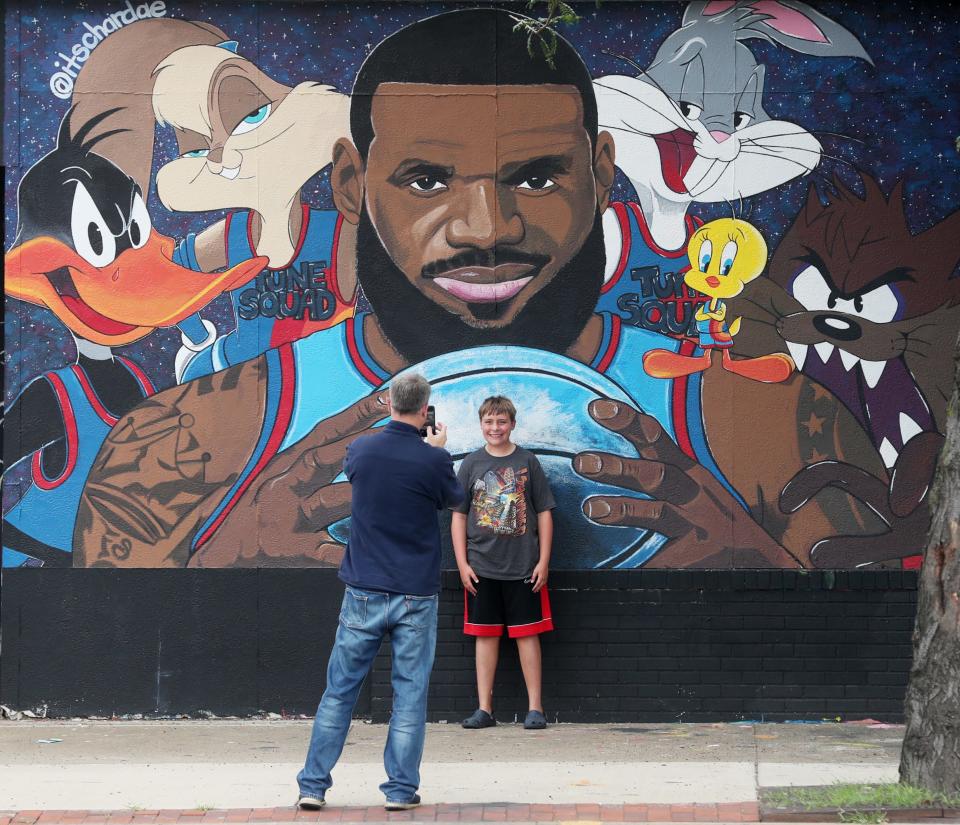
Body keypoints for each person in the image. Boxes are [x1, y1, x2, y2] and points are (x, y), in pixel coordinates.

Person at [77, 7, 862, 574]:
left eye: (536, 175)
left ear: (600, 175)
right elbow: (108, 672)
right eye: (425, 180)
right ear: (351, 183)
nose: (486, 227)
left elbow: (898, 641)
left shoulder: (775, 421)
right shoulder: (195, 437)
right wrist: (225, 574)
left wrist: (756, 572)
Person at [295, 372, 464, 812]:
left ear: (389, 403)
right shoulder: (434, 460)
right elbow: (455, 499)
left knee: (339, 692)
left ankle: (313, 786)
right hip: (415, 592)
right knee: (409, 694)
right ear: (425, 410)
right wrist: (438, 451)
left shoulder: (362, 450)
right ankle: (400, 791)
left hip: (364, 588)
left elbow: (359, 476)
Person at [452, 396, 555, 731]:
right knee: (485, 637)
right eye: (489, 422)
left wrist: (544, 561)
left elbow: (544, 511)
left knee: (528, 636)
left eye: (501, 421)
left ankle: (535, 708)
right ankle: (485, 709)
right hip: (481, 569)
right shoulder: (470, 464)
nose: (495, 428)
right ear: (481, 424)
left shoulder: (528, 462)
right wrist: (462, 564)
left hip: (524, 568)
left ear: (512, 423)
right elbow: (458, 516)